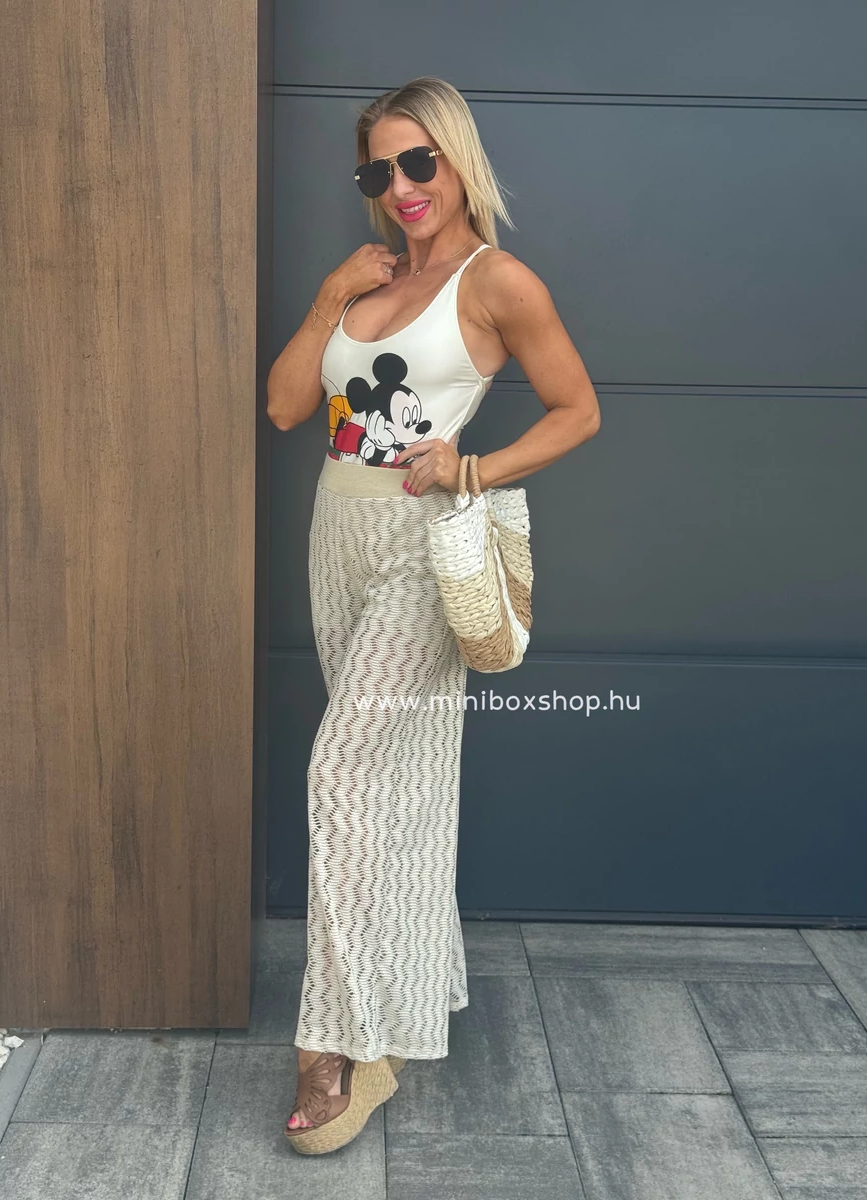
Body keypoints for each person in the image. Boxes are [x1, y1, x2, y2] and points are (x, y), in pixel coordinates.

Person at [266, 75, 600, 1155]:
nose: (401, 185)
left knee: (343, 775)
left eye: (420, 161)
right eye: (380, 169)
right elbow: (284, 406)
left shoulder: (496, 281)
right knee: (392, 792)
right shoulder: (365, 279)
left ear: (457, 159)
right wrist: (328, 296)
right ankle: (407, 997)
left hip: (420, 550)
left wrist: (474, 468)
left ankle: (334, 1040)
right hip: (336, 539)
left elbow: (578, 409)